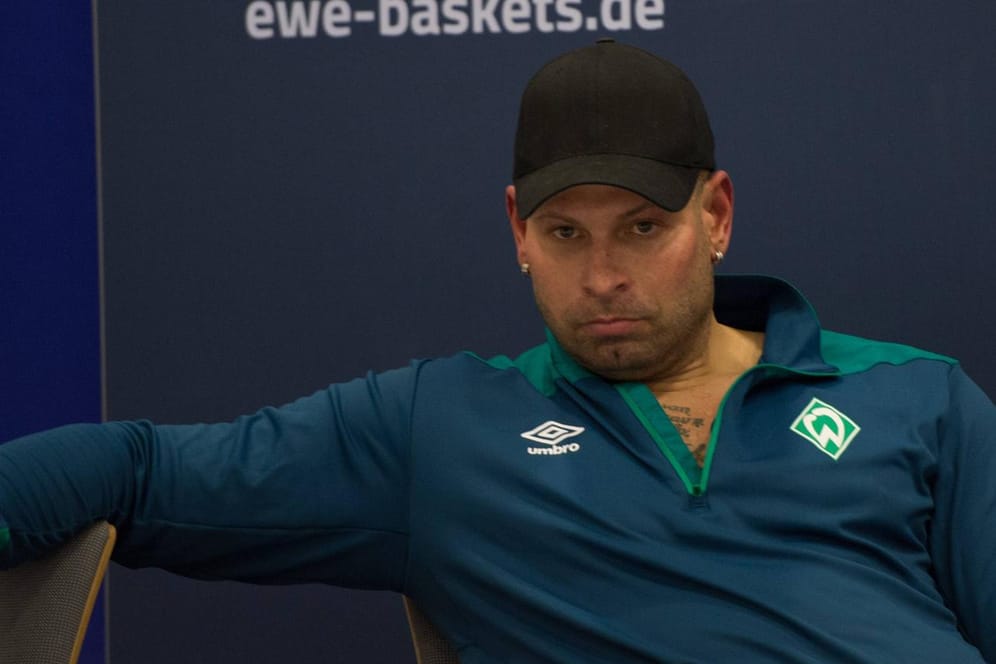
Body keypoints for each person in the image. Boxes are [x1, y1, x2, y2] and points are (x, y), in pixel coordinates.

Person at [2, 40, 994, 663]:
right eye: (566, 233)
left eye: (643, 228)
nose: (603, 276)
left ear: (718, 215)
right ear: (518, 230)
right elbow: (136, 470)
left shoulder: (919, 396)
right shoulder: (438, 428)